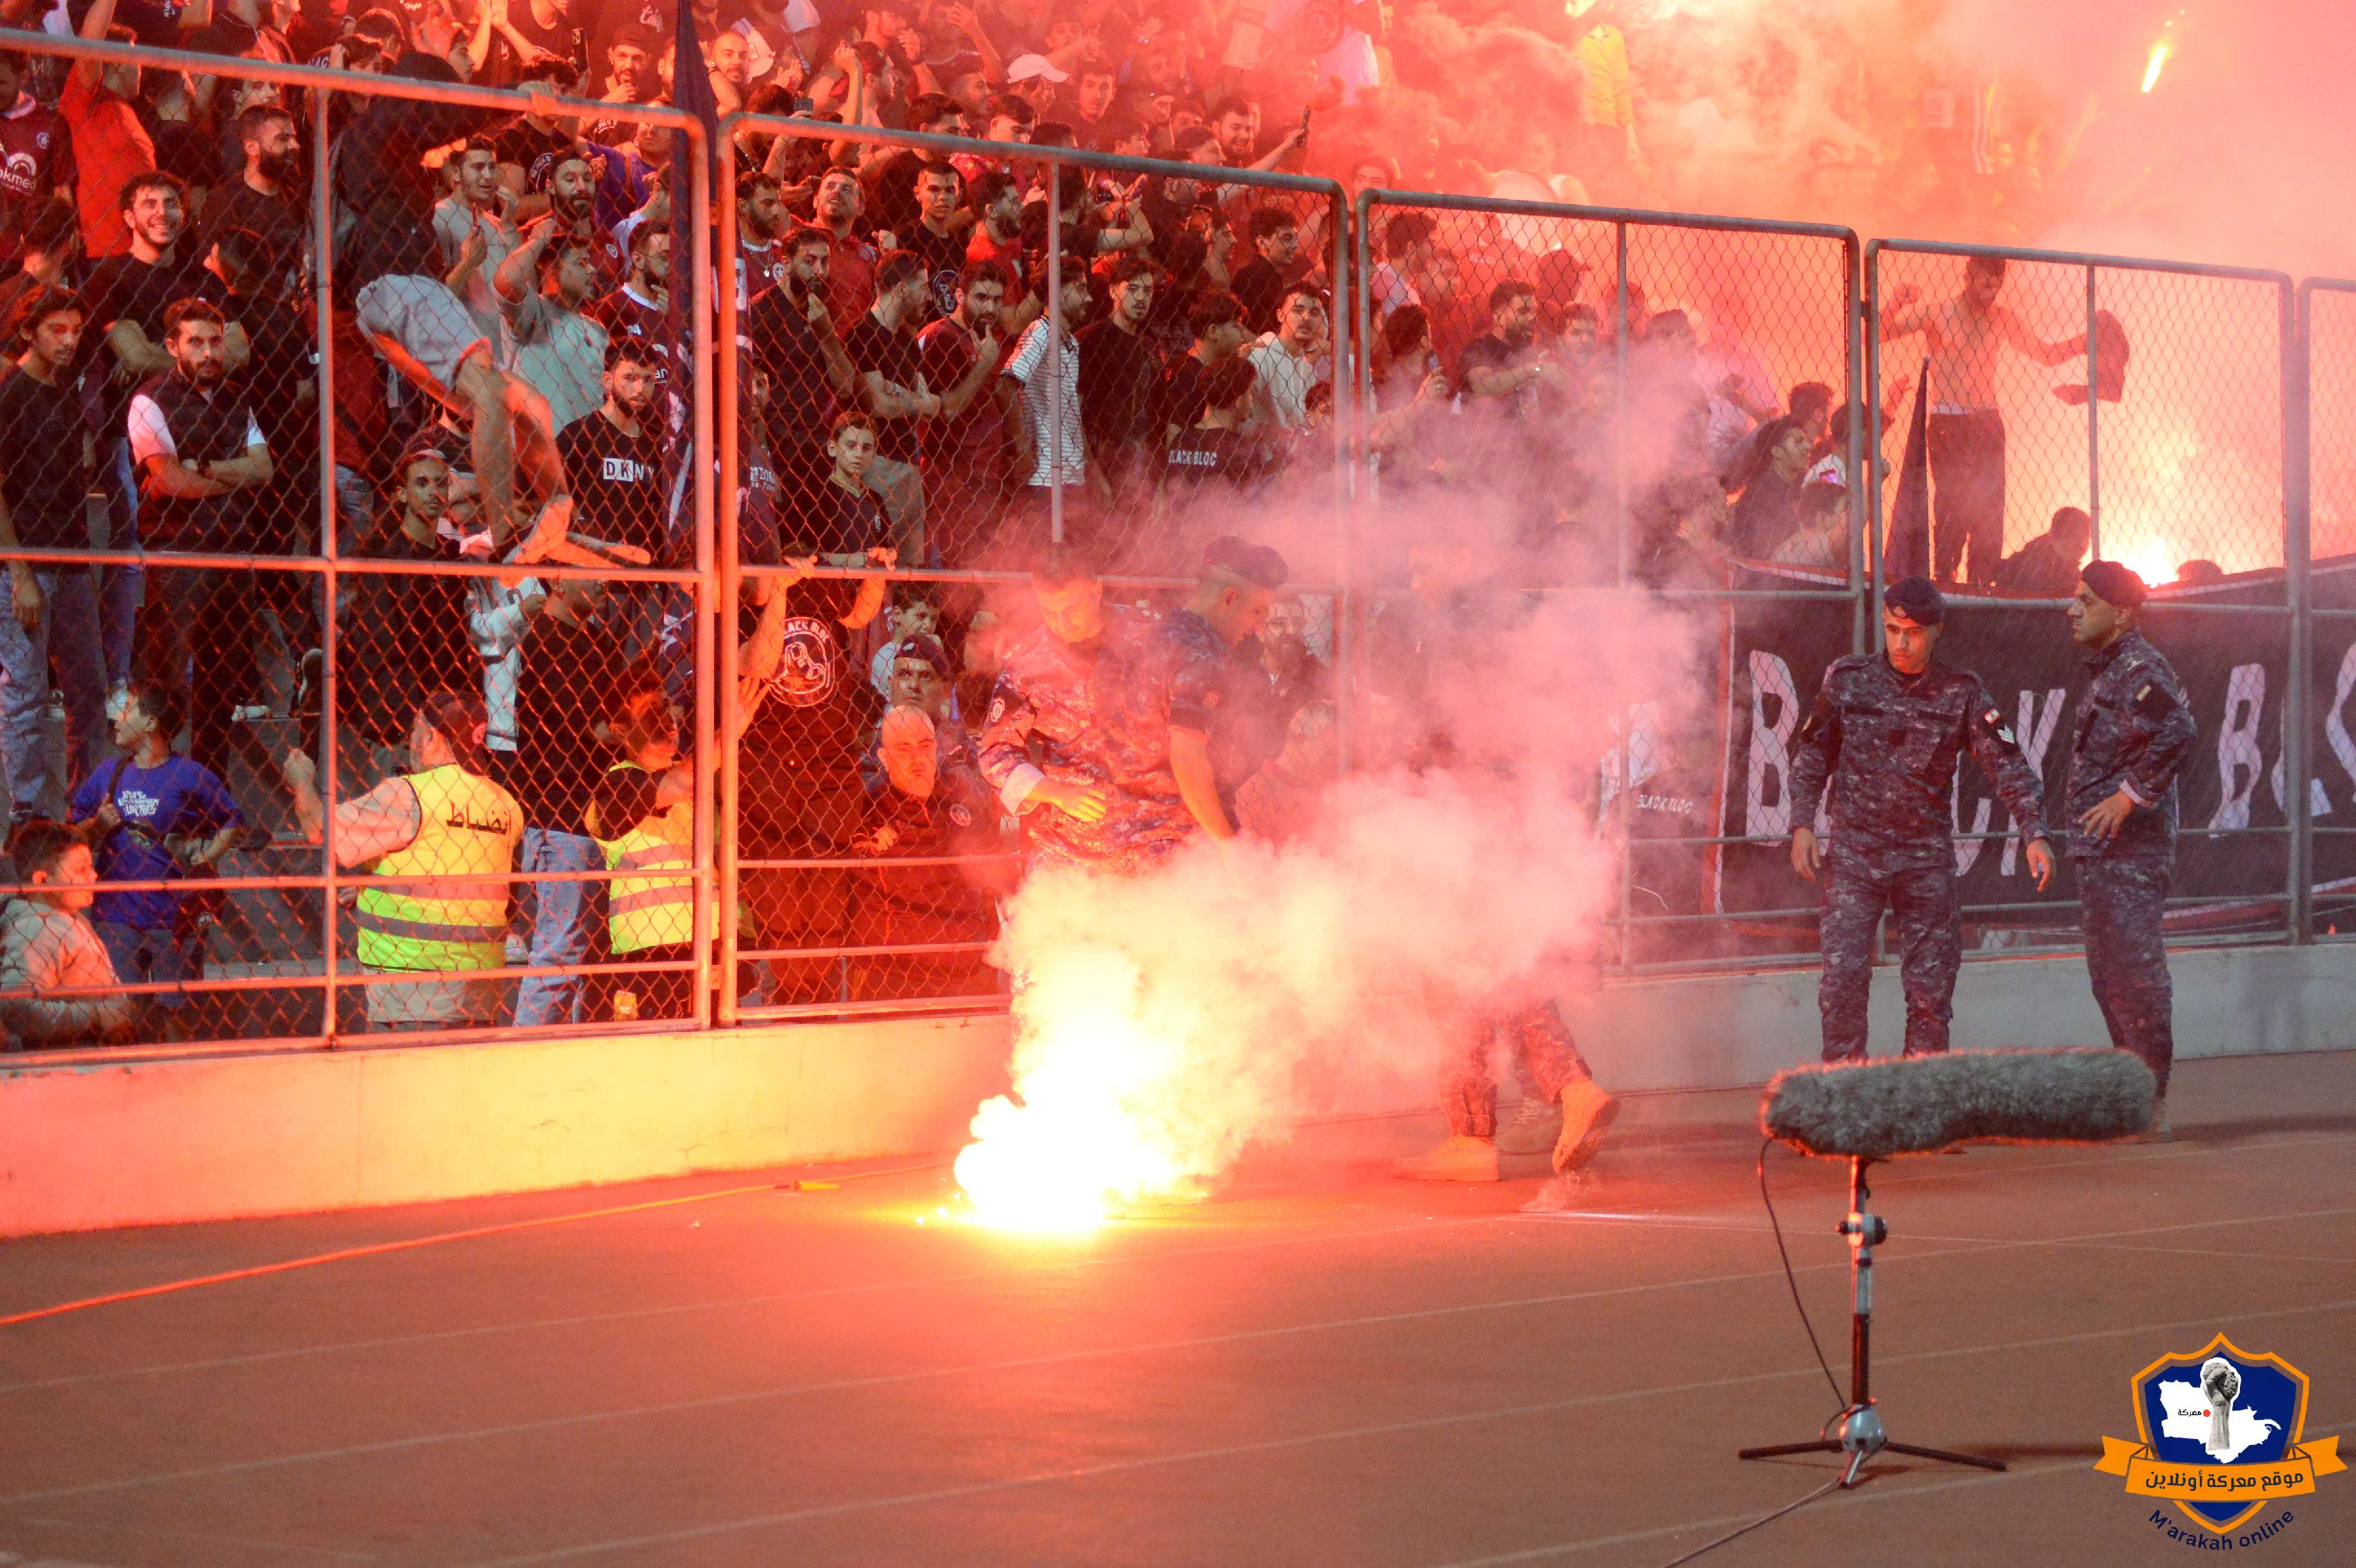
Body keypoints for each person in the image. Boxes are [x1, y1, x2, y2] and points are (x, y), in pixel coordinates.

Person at [1789, 576, 2058, 1063]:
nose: (1902, 643)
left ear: (1936, 632)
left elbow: (2009, 765)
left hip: (1924, 862)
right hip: (1855, 858)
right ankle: (1848, 1101)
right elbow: (1811, 755)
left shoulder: (1962, 693)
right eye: (1893, 630)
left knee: (1931, 992)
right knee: (1843, 984)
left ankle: (1923, 1104)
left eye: (1913, 633)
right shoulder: (1848, 681)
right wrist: (1802, 823)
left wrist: (2034, 831)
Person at [281, 691, 522, 1034]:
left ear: (430, 736)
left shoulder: (408, 794)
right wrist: (370, 886)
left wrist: (302, 781)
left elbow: (319, 829)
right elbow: (454, 874)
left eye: (413, 731)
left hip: (410, 990)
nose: (409, 742)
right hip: (480, 992)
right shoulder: (506, 804)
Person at [2065, 561, 2198, 1138]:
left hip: (2132, 856)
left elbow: (2179, 731)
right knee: (2109, 977)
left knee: (2136, 978)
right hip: (2103, 855)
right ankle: (2132, 1099)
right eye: (2075, 598)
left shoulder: (2139, 668)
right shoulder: (2109, 668)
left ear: (2120, 613)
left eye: (2086, 601)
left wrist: (2130, 796)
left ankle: (2148, 1103)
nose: (2072, 610)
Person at [128, 298, 273, 776]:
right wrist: (234, 475)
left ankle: (211, 792)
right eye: (196, 342)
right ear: (173, 347)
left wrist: (206, 467)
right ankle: (158, 789)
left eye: (215, 341)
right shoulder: (150, 399)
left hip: (232, 552)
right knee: (167, 684)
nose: (209, 352)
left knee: (221, 686)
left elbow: (265, 469)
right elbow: (169, 482)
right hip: (177, 557)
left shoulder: (237, 395)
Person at [1880, 258, 2085, 585]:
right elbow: (1878, 334)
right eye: (1985, 283)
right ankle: (1945, 578)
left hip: (1987, 421)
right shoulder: (1938, 313)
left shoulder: (2002, 319)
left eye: (1997, 285)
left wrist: (2085, 341)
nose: (1991, 292)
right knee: (1951, 505)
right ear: (1968, 277)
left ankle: (1982, 581)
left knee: (1989, 510)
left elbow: (2045, 355)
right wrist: (1896, 302)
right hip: (1949, 420)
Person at [68, 679, 242, 1038]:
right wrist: (96, 826)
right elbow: (69, 835)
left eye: (128, 709)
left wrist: (206, 858)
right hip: (116, 915)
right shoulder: (107, 773)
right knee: (119, 1016)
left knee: (176, 1018)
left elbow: (233, 820)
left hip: (174, 917)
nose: (117, 717)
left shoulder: (189, 774)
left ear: (151, 723)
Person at [0, 287, 108, 822]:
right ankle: (25, 814)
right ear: (28, 333)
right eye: (57, 331)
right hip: (25, 565)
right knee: (25, 692)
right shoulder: (11, 394)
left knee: (87, 688)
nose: (70, 340)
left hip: (71, 559)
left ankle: (83, 804)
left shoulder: (65, 389)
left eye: (75, 329)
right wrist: (18, 571)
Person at [914, 259, 1014, 572]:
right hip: (950, 478)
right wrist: (984, 365)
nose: (990, 308)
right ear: (960, 297)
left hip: (982, 476)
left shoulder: (982, 339)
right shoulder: (941, 337)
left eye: (997, 300)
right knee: (953, 571)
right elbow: (948, 409)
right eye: (981, 298)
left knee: (978, 567)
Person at [0, 818, 135, 1047]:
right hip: (71, 1065)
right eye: (80, 870)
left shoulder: (66, 914)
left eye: (91, 867)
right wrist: (95, 1017)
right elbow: (16, 1005)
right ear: (42, 880)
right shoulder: (37, 927)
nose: (93, 876)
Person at [1229, 207, 1299, 337]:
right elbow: (1241, 327)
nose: (1296, 245)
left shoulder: (1271, 277)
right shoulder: (1251, 277)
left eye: (1295, 238)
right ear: (1262, 242)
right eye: (1287, 238)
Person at [1995, 506, 2093, 597]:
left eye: (2086, 535)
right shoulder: (2039, 565)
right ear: (2055, 534)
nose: (2082, 542)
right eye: (2074, 534)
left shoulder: (2067, 568)